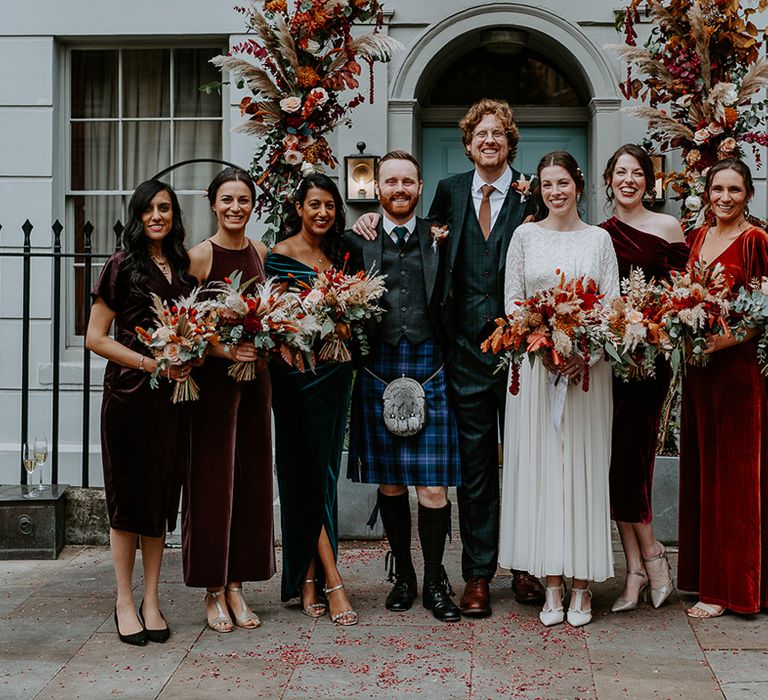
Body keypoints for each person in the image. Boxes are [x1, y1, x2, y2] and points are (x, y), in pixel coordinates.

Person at [352, 99, 543, 616]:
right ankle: (478, 573)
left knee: (526, 460)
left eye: (498, 133)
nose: (489, 140)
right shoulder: (450, 191)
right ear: (466, 143)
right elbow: (412, 237)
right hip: (460, 353)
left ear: (510, 141)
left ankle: (526, 567)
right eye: (480, 133)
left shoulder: (535, 194)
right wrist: (370, 220)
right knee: (477, 466)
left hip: (525, 354)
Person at [499, 151, 620, 628]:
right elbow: (511, 300)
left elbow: (612, 308)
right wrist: (541, 341)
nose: (555, 191)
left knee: (584, 472)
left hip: (586, 375)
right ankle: (552, 582)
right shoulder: (525, 236)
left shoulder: (600, 240)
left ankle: (584, 587)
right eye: (547, 184)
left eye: (563, 182)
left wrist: (582, 354)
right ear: (539, 190)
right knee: (543, 474)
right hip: (534, 370)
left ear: (579, 185)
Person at [345, 151, 462, 623]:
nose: (399, 189)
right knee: (391, 485)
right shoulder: (357, 239)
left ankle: (435, 578)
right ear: (377, 189)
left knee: (433, 489)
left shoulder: (443, 234)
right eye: (390, 181)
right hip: (378, 365)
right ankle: (404, 575)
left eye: (407, 181)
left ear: (419, 186)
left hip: (433, 364)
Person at [86, 179, 194, 645]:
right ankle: (124, 600)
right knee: (128, 503)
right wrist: (152, 362)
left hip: (173, 403)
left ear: (174, 215)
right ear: (137, 215)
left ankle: (151, 598)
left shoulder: (184, 268)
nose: (157, 216)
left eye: (165, 208)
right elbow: (95, 338)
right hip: (129, 399)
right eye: (149, 208)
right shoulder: (121, 265)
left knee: (159, 500)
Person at [184, 167, 275, 633]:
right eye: (227, 199)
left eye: (243, 199)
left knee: (251, 481)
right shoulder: (199, 257)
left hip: (255, 382)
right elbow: (180, 330)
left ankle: (238, 584)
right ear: (213, 203)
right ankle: (213, 589)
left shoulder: (261, 252)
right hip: (214, 390)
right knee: (213, 484)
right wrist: (223, 348)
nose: (236, 207)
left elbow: (274, 313)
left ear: (252, 204)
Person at [265, 174, 357, 626]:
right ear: (298, 207)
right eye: (314, 205)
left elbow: (359, 310)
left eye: (330, 206)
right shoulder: (278, 257)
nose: (323, 213)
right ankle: (331, 580)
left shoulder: (343, 253)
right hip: (296, 375)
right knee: (301, 472)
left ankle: (307, 577)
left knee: (323, 473)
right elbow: (275, 321)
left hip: (335, 373)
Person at [599, 145, 688, 612]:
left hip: (650, 360)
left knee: (635, 459)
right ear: (608, 179)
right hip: (608, 361)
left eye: (637, 173)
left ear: (648, 181)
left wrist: (654, 328)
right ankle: (635, 568)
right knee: (612, 464)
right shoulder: (596, 234)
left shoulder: (667, 227)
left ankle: (653, 557)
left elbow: (680, 297)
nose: (628, 180)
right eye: (621, 172)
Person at [678, 157, 768, 618]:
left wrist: (718, 342)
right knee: (705, 468)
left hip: (737, 371)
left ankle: (732, 589)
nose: (725, 198)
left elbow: (761, 314)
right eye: (717, 190)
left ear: (748, 194)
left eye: (734, 190)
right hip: (699, 372)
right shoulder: (697, 237)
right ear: (707, 193)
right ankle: (704, 577)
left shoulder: (756, 241)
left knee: (735, 476)